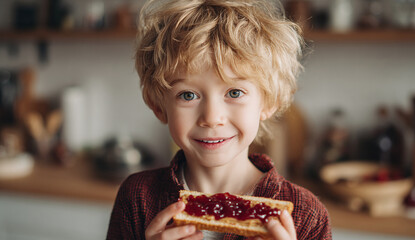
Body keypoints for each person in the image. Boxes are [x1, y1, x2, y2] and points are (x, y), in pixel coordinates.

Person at [107, 0, 332, 239]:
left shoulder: (308, 216)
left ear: (268, 102)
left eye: (234, 93)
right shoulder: (136, 198)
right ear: (158, 106)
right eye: (188, 95)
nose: (212, 118)